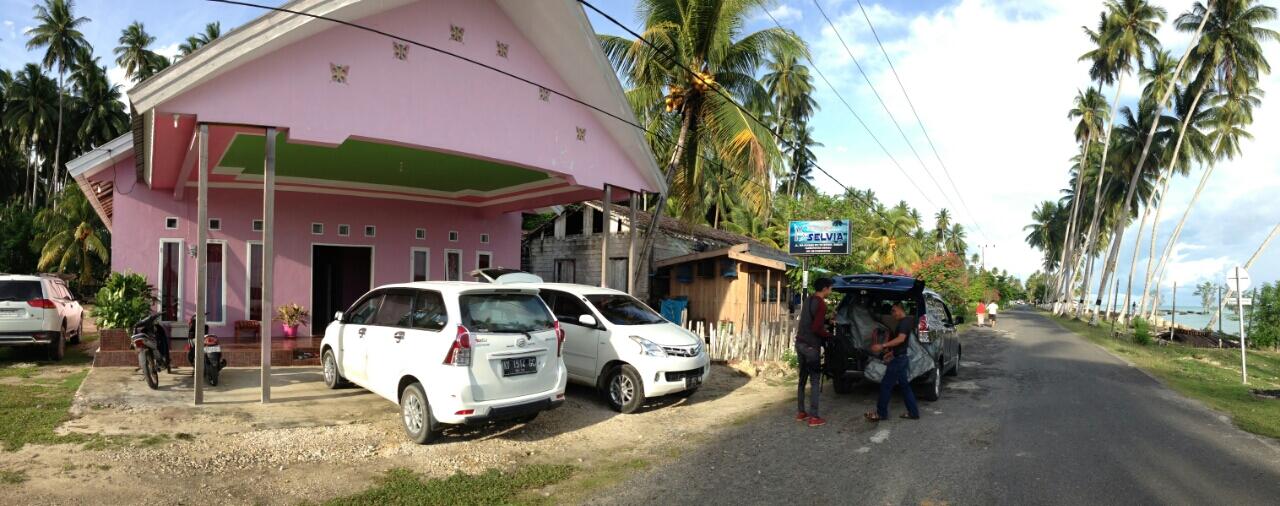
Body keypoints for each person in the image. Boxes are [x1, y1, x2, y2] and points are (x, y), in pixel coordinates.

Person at [865, 302, 920, 422]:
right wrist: (892, 353)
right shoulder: (903, 323)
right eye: (891, 311)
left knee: (886, 385)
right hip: (900, 357)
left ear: (901, 309)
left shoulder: (904, 323)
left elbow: (901, 339)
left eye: (894, 310)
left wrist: (882, 345)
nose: (892, 313)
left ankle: (881, 413)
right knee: (905, 387)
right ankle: (913, 413)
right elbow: (902, 344)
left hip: (899, 361)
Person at [795, 277, 833, 427]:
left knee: (802, 378)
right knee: (815, 381)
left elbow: (811, 321)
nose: (831, 291)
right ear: (824, 288)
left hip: (800, 343)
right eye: (830, 288)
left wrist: (827, 321)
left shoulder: (809, 300)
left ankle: (801, 412)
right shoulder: (822, 304)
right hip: (811, 347)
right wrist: (831, 336)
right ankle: (814, 417)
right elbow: (816, 328)